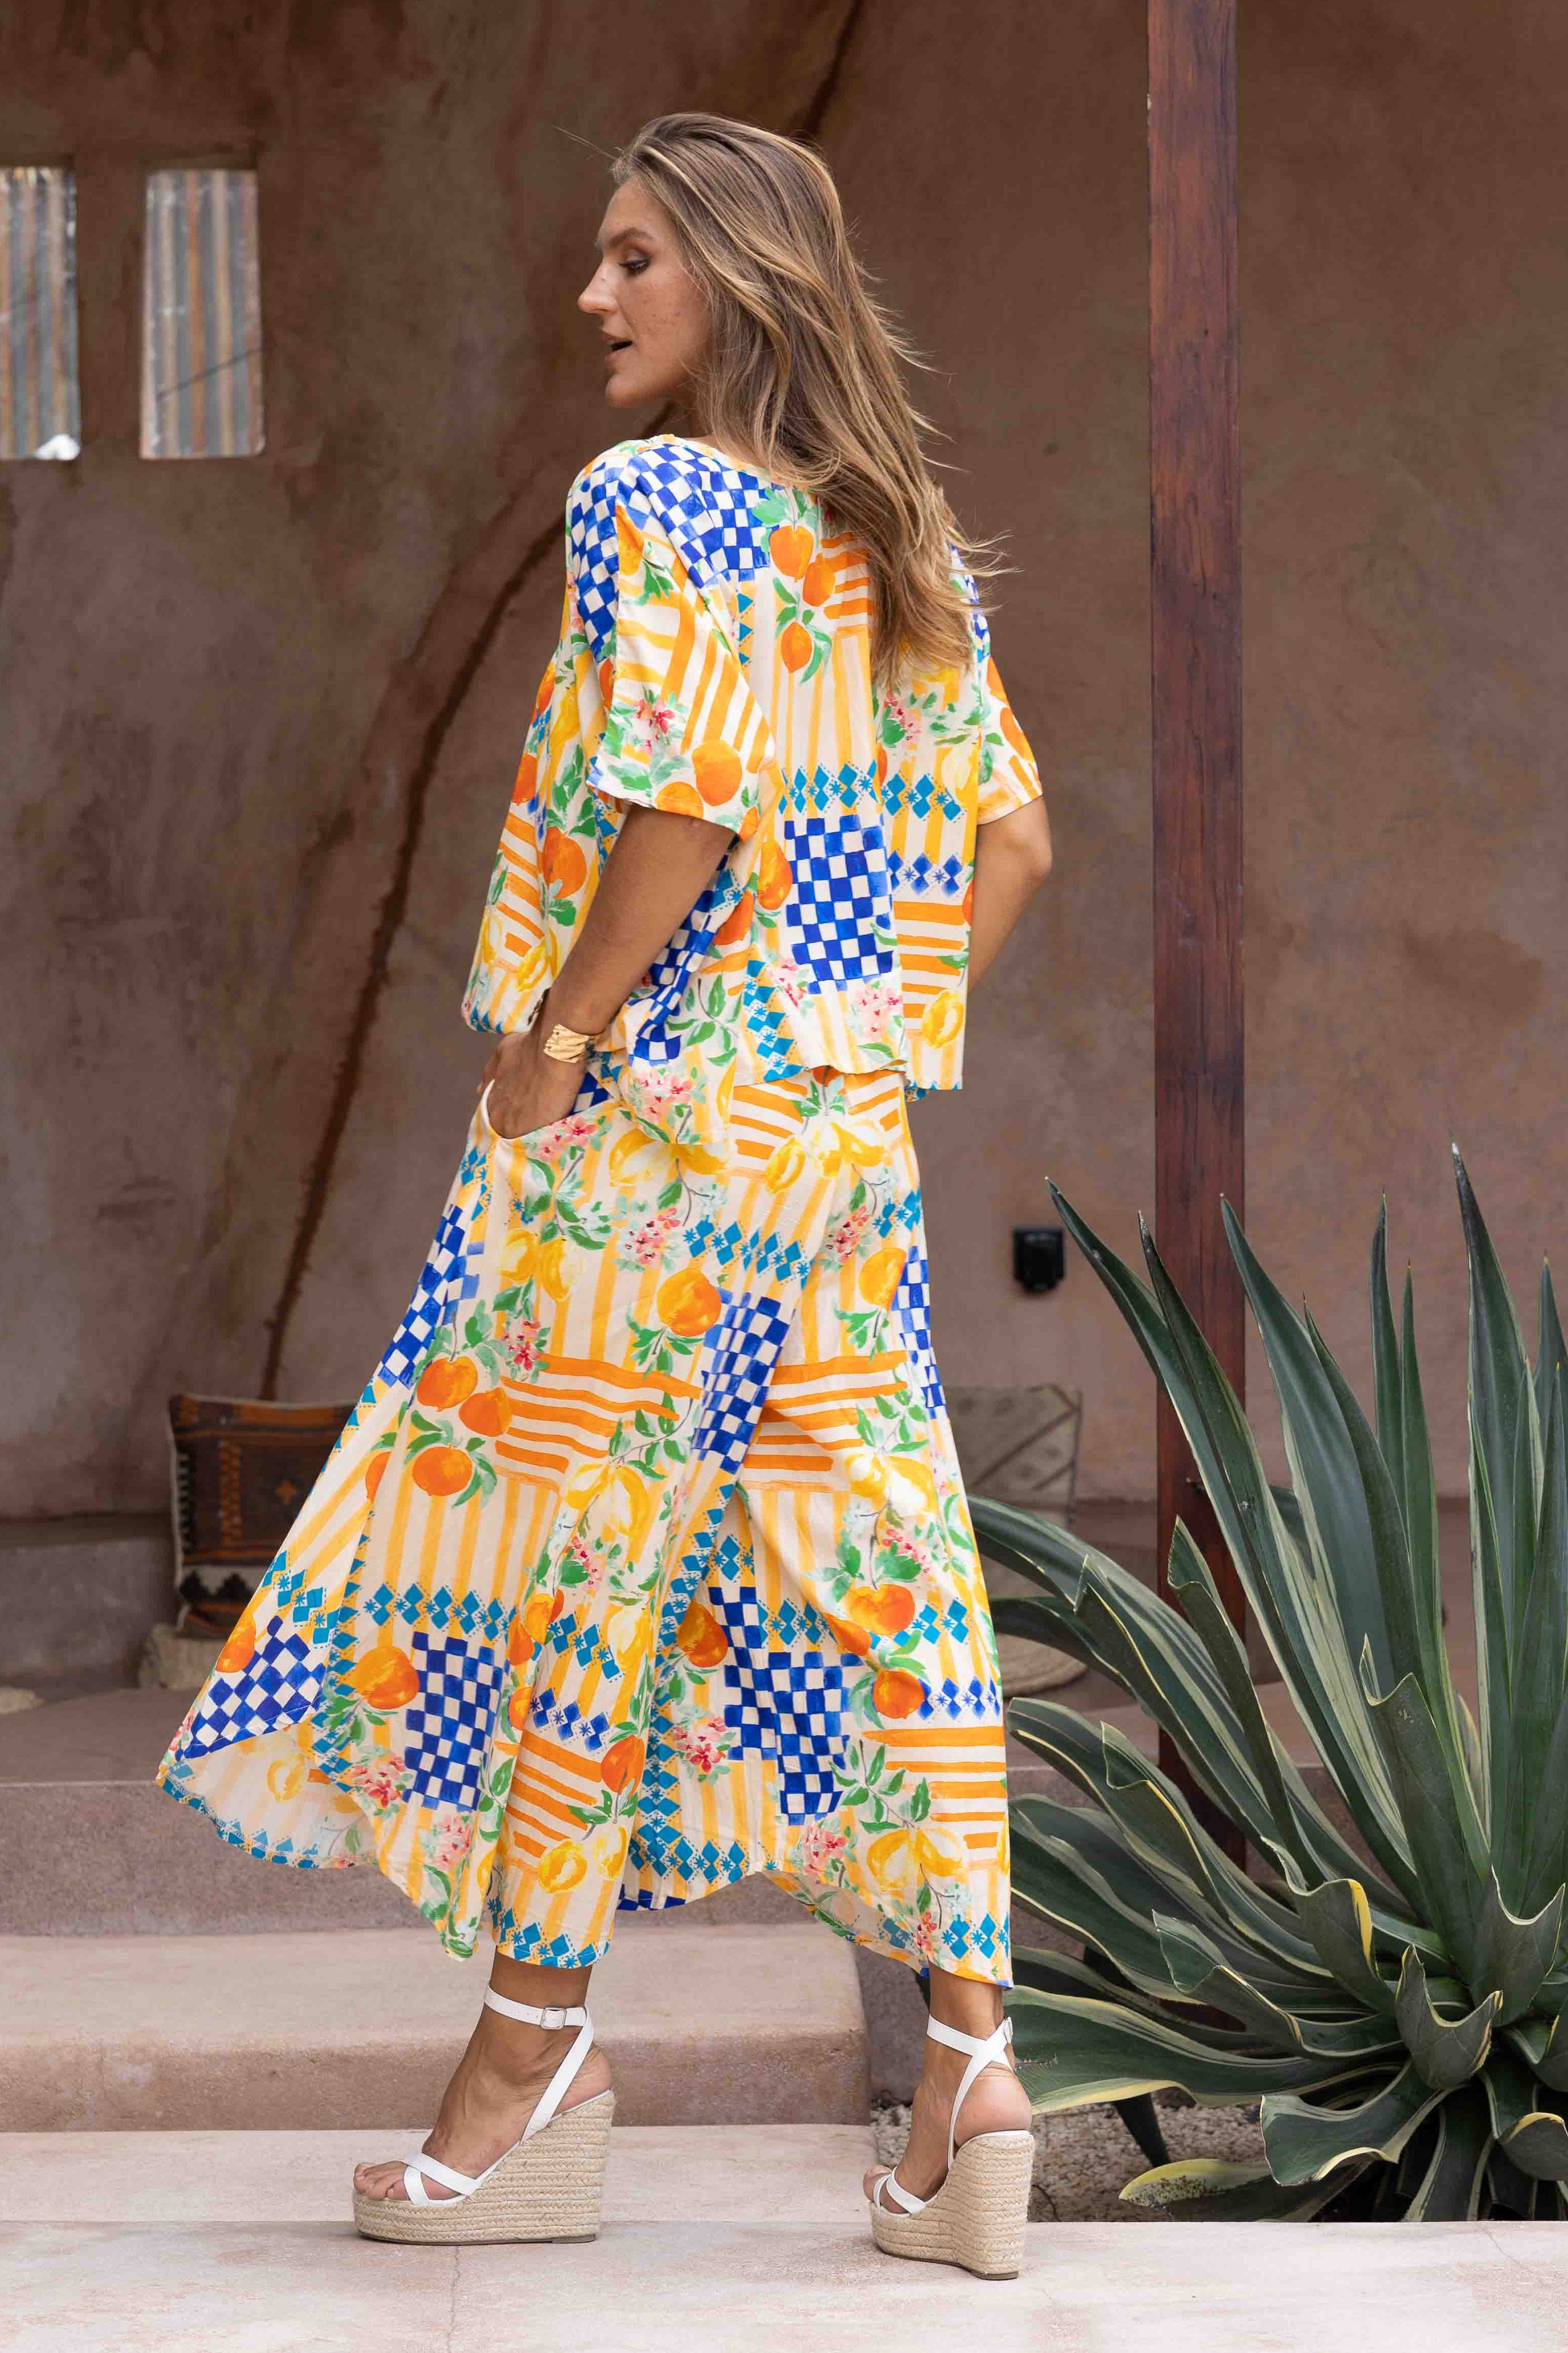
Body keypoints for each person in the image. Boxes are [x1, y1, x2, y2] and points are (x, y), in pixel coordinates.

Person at [159, 111, 1054, 2280]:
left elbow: (681, 792)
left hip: (655, 1130)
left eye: (634, 255)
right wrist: (839, 1031)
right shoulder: (891, 533)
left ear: (736, 274)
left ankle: (531, 2059)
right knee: (887, 1559)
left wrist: (565, 1035)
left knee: (583, 1554)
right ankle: (971, 2070)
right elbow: (1013, 840)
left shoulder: (656, 500)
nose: (594, 295)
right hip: (837, 1137)